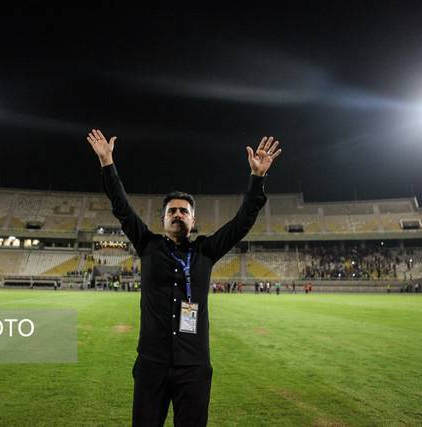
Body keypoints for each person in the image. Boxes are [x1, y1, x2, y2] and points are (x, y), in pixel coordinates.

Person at [87, 128, 282, 426]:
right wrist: (107, 164)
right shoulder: (148, 245)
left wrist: (257, 179)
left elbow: (242, 223)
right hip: (152, 363)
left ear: (193, 220)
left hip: (194, 366)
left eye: (184, 211)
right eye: (172, 211)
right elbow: (121, 208)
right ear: (163, 219)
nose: (178, 214)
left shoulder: (206, 251)